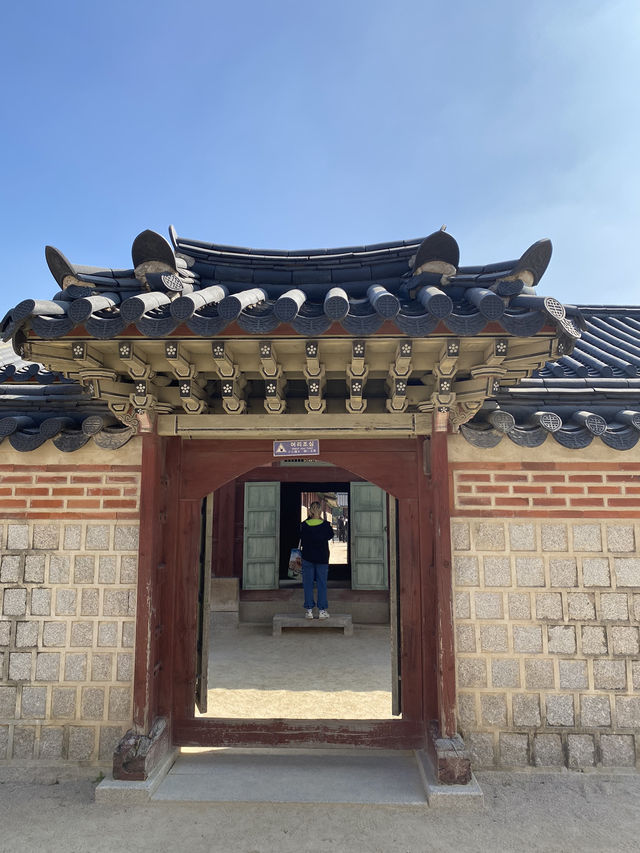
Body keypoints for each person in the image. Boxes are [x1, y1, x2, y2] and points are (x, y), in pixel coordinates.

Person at [299, 500, 334, 620]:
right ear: (320, 511)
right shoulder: (326, 525)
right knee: (322, 584)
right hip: (322, 558)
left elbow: (302, 539)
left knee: (307, 584)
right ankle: (322, 610)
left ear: (310, 510)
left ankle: (309, 610)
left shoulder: (304, 525)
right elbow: (330, 536)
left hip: (307, 557)